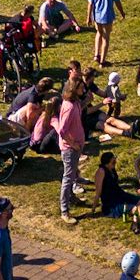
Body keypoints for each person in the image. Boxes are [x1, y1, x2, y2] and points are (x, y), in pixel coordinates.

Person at [58, 76, 89, 223]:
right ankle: (65, 211)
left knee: (73, 174)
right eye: (81, 88)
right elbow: (62, 131)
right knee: (68, 178)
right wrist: (74, 144)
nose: (83, 89)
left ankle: (72, 199)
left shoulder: (75, 102)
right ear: (74, 89)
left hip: (77, 145)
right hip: (70, 148)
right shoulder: (69, 107)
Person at [89, 0, 123, 67]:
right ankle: (103, 61)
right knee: (106, 37)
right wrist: (122, 12)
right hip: (107, 16)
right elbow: (117, 2)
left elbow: (90, 3)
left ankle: (96, 55)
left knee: (98, 33)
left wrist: (89, 17)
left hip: (97, 15)